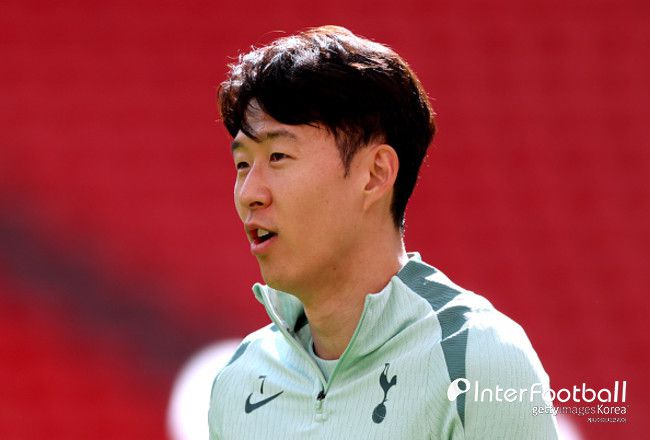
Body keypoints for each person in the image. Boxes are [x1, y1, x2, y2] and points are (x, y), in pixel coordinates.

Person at [208, 25, 558, 439]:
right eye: (242, 164)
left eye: (278, 156)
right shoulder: (238, 380)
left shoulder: (477, 358)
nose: (249, 194)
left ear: (375, 174)